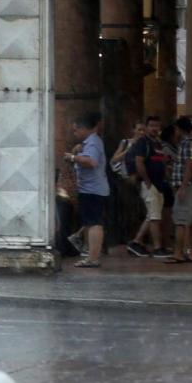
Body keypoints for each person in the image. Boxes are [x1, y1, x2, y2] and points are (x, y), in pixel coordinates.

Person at [65, 112, 108, 268]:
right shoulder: (88, 143)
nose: (74, 133)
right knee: (89, 223)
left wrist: (72, 157)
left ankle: (94, 258)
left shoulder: (93, 142)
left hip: (93, 190)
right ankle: (90, 256)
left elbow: (92, 162)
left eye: (76, 130)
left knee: (94, 223)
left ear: (84, 129)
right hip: (89, 188)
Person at [127, 116, 170, 258]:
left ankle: (136, 242)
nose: (154, 128)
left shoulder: (158, 144)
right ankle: (158, 247)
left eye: (157, 126)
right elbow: (139, 162)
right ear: (146, 127)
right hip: (149, 184)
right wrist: (146, 181)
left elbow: (162, 162)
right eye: (151, 125)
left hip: (159, 184)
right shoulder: (142, 143)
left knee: (152, 215)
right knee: (155, 217)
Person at [166, 116, 192, 264]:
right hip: (190, 185)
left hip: (187, 186)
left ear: (179, 129)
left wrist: (183, 186)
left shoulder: (187, 145)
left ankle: (178, 253)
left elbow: (189, 165)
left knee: (180, 220)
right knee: (191, 220)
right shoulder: (191, 144)